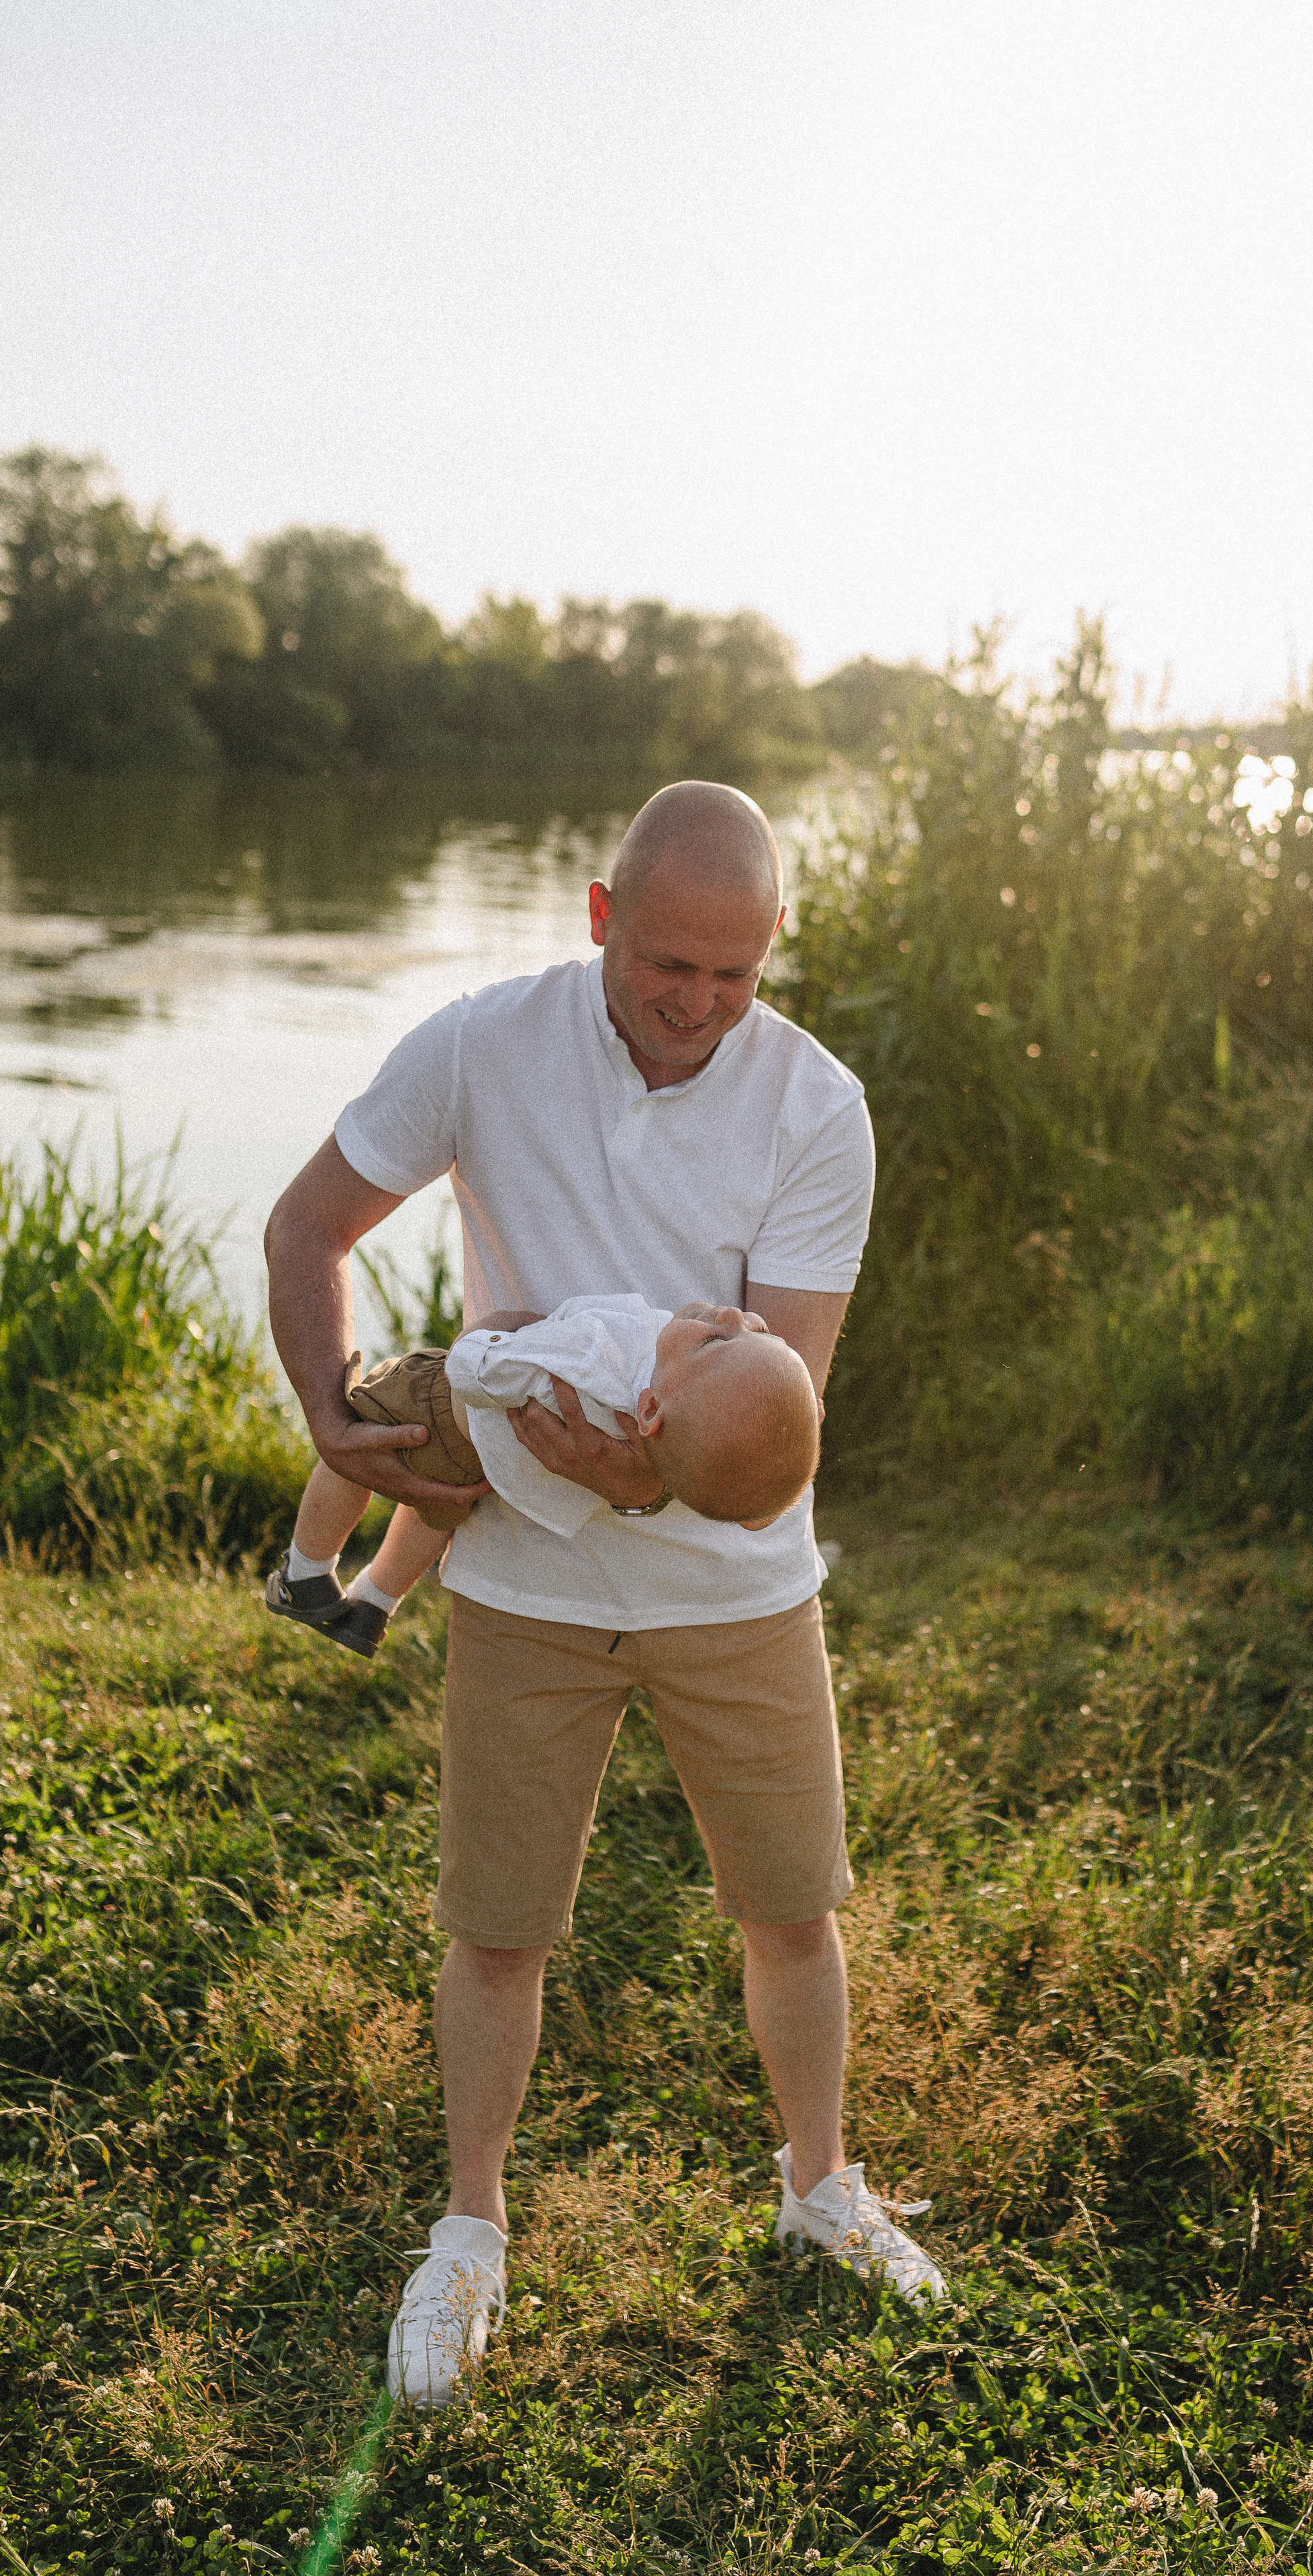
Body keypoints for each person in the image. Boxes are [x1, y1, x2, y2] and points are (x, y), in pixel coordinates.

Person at [262, 779, 944, 2413]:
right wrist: (332, 1416)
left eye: (735, 973)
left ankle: (818, 2187)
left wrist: (653, 1475)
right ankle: (471, 2228)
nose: (699, 1005)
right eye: (667, 967)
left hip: (738, 1594)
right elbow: (306, 1226)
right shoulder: (478, 1045)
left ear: (771, 949)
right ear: (598, 919)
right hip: (523, 1583)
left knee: (791, 1909)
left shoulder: (817, 1107)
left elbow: (780, 1407)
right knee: (497, 1930)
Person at [262, 1293, 822, 1656]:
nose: (734, 1316)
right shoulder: (671, 1448)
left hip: (437, 1407)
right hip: (486, 1469)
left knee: (352, 1450)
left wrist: (498, 1333)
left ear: (650, 1410)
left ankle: (306, 1572)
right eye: (759, 1329)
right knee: (440, 1508)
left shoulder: (595, 1356)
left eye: (717, 1340)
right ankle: (373, 1605)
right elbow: (751, 1502)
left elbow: (470, 1369)